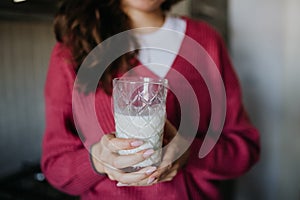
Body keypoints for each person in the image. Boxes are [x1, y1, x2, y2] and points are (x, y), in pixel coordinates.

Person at [41, 0, 260, 199]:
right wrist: (97, 162)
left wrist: (189, 153)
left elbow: (245, 147)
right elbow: (56, 167)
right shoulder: (74, 48)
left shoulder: (207, 41)